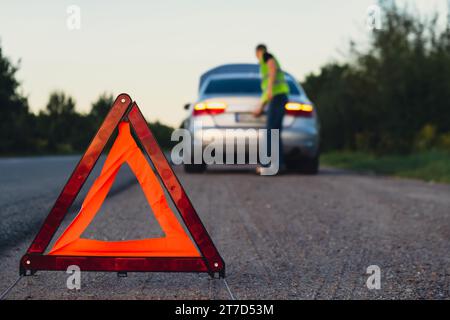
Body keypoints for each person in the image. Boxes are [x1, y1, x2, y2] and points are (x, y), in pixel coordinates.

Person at [253, 44, 290, 175]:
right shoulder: (265, 61)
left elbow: (272, 67)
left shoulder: (266, 56)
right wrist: (261, 107)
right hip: (278, 97)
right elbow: (266, 94)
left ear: (258, 52)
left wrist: (269, 89)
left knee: (270, 132)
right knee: (274, 132)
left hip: (277, 97)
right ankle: (278, 165)